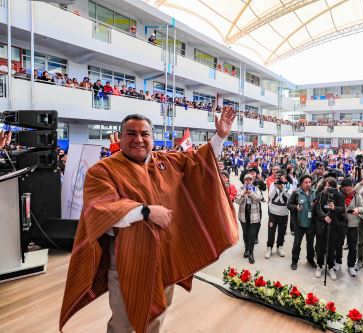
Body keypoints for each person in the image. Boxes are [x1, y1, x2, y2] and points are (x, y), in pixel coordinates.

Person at [60, 109, 239, 333]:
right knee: (123, 322)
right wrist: (145, 211)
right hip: (129, 260)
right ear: (120, 137)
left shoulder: (167, 161)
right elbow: (100, 209)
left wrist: (220, 136)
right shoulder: (102, 170)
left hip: (165, 258)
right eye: (131, 133)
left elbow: (198, 162)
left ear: (152, 138)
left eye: (144, 134)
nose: (138, 139)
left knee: (157, 316)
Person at [314, 177, 345, 280]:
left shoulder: (339, 195)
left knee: (331, 248)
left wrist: (334, 208)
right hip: (322, 224)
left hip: (334, 225)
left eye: (330, 186)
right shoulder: (320, 194)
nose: (328, 188)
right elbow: (317, 209)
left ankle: (330, 267)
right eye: (326, 185)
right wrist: (324, 217)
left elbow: (342, 209)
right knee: (320, 246)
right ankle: (319, 265)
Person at [288, 174, 316, 270]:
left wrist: (314, 205)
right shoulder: (296, 193)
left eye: (309, 182)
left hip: (311, 223)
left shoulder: (314, 192)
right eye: (306, 182)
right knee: (297, 243)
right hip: (299, 223)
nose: (308, 184)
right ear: (301, 183)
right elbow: (289, 205)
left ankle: (310, 259)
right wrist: (296, 207)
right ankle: (294, 261)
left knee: (310, 244)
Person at [235, 173, 264, 264]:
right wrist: (243, 194)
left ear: (252, 181)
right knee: (245, 234)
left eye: (250, 180)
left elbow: (259, 198)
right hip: (244, 216)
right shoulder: (240, 189)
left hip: (254, 216)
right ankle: (246, 249)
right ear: (244, 181)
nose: (248, 181)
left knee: (251, 235)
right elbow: (237, 201)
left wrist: (251, 193)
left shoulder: (256, 189)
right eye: (246, 179)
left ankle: (251, 253)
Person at [266, 174, 291, 259]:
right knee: (271, 231)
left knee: (282, 232)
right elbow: (270, 196)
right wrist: (276, 187)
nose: (281, 179)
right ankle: (269, 247)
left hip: (284, 213)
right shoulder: (273, 184)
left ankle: (280, 247)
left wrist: (283, 188)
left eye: (283, 178)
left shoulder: (289, 186)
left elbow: (291, 197)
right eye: (280, 178)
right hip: (273, 212)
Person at [341, 178, 361, 277]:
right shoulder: (339, 195)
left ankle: (351, 265)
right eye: (345, 190)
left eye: (349, 189)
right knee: (338, 244)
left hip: (353, 224)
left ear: (352, 187)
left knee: (353, 246)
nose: (348, 192)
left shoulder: (357, 196)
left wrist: (357, 209)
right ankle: (337, 262)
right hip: (341, 224)